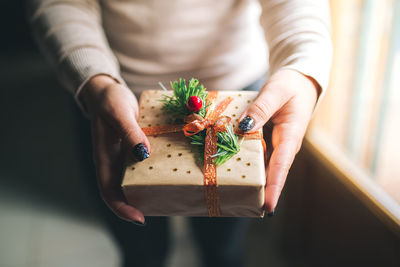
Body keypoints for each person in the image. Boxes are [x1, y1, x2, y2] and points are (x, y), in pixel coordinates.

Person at [28, 0, 332, 266]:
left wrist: (303, 67)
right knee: (142, 254)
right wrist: (94, 79)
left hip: (239, 103)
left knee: (224, 250)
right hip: (114, 102)